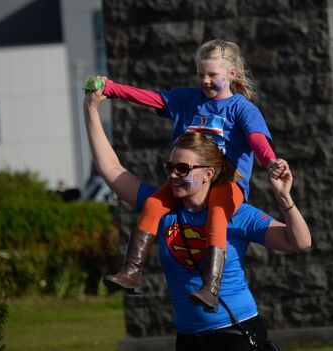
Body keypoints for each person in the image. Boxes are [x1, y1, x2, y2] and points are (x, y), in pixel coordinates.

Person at [84, 86, 311, 350]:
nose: (174, 175)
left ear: (209, 173)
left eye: (183, 169)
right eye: (170, 167)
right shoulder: (160, 208)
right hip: (189, 338)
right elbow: (111, 169)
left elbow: (299, 242)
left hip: (236, 334)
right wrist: (91, 109)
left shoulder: (234, 213)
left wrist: (285, 199)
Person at [95, 39, 287, 311]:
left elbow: (257, 139)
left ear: (232, 74)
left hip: (226, 182)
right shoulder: (188, 100)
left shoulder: (241, 109)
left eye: (213, 75)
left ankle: (211, 286)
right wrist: (112, 89)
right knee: (152, 204)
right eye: (200, 74)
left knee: (218, 214)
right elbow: (150, 97)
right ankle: (132, 271)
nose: (205, 81)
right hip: (187, 179)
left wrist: (270, 162)